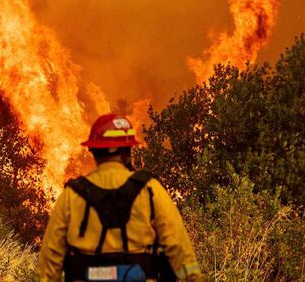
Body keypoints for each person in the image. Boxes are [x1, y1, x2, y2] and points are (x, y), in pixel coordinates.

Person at [38, 113, 202, 282]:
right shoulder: (150, 189)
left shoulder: (71, 195)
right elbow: (178, 247)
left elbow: (50, 259)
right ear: (127, 151)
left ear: (93, 151)